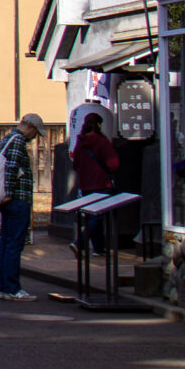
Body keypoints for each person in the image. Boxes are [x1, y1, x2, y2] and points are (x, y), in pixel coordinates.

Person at [0, 113, 44, 300]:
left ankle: (3, 287)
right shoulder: (18, 141)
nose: (35, 137)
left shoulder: (7, 138)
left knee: (6, 244)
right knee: (14, 244)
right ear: (30, 127)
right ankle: (13, 288)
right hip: (17, 198)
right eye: (36, 133)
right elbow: (12, 167)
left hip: (8, 201)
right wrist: (9, 191)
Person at [72, 110, 123, 258]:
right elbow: (113, 164)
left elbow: (75, 164)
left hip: (85, 185)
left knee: (92, 216)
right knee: (97, 217)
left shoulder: (80, 143)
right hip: (101, 184)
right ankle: (79, 243)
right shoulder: (102, 142)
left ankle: (98, 248)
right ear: (99, 125)